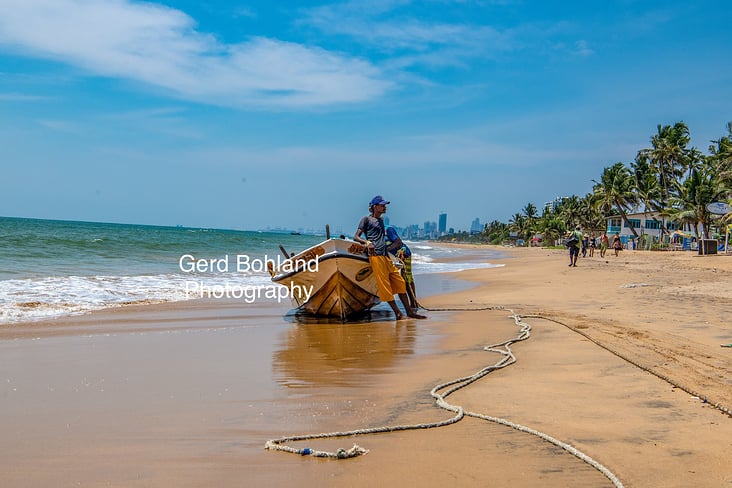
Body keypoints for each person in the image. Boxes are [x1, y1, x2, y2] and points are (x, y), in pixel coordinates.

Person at [354, 196, 426, 320]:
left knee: (400, 283)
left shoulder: (381, 221)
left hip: (386, 257)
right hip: (375, 256)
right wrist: (367, 243)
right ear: (375, 207)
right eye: (382, 205)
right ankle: (398, 313)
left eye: (384, 205)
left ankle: (409, 312)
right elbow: (356, 237)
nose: (384, 207)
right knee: (385, 286)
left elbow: (385, 239)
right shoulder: (366, 219)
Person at [385, 225, 417, 309]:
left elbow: (398, 242)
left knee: (407, 279)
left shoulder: (388, 229)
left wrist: (386, 250)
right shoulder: (374, 233)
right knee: (403, 279)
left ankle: (414, 303)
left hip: (404, 254)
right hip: (393, 257)